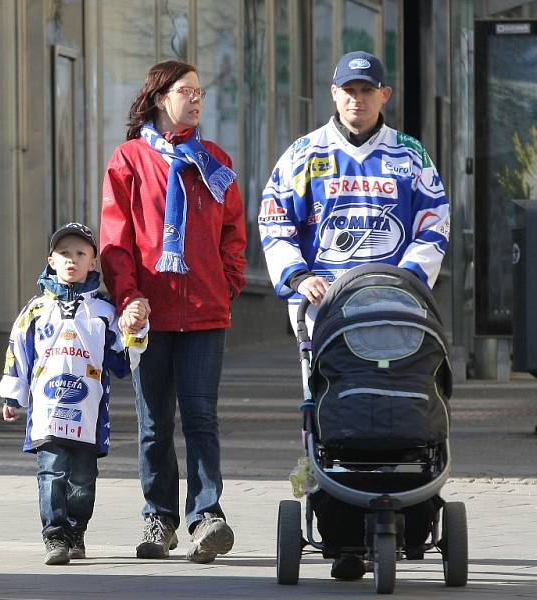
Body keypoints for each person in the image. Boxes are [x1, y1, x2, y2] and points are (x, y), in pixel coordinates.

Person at [259, 51, 450, 580]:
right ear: (333, 93)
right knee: (328, 414)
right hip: (326, 312)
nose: (357, 100)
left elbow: (433, 222)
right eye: (348, 90)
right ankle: (342, 531)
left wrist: (407, 281)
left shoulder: (410, 157)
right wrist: (298, 277)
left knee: (404, 401)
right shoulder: (305, 155)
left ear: (384, 95)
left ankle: (411, 514)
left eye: (367, 91)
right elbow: (275, 221)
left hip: (396, 306)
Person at [100, 60, 247, 564]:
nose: (197, 99)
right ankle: (159, 517)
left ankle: (207, 516)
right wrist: (127, 298)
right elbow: (116, 242)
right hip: (148, 316)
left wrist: (228, 282)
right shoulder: (129, 160)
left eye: (201, 93)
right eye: (188, 91)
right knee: (154, 422)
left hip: (206, 314)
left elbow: (233, 231)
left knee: (202, 419)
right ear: (161, 96)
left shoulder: (215, 160)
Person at [0, 222, 148, 566]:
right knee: (51, 472)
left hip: (88, 414)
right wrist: (13, 395)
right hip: (47, 413)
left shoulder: (105, 313)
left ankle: (76, 530)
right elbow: (17, 351)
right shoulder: (35, 311)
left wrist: (136, 333)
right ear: (51, 260)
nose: (71, 260)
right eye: (64, 253)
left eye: (80, 254)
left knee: (82, 480)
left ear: (93, 263)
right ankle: (54, 535)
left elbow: (122, 363)